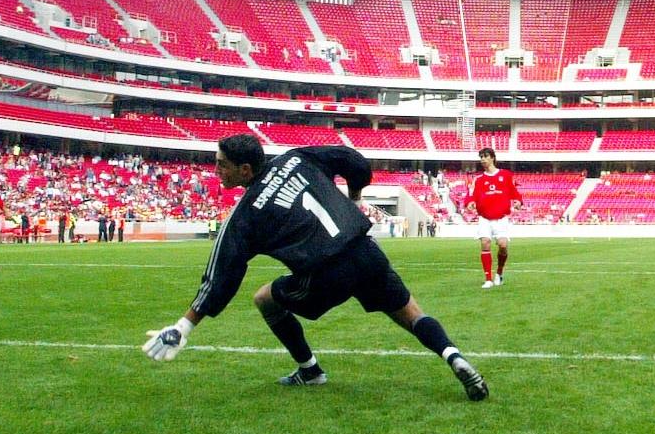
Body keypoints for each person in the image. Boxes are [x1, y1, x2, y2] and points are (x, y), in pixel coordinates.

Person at [142, 135, 488, 400]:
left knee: (265, 298)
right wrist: (354, 196)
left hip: (326, 274)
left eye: (222, 164)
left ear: (245, 170)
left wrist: (183, 326)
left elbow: (222, 275)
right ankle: (452, 354)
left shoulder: (245, 215)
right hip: (365, 251)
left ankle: (309, 370)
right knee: (411, 313)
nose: (215, 170)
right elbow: (353, 159)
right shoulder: (297, 158)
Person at [467, 147, 522, 288]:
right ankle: (488, 279)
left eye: (485, 156)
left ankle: (499, 273)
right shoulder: (478, 180)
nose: (483, 159)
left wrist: (517, 201)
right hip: (485, 217)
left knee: (503, 246)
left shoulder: (506, 175)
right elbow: (471, 195)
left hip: (501, 218)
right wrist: (470, 203)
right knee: (485, 242)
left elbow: (514, 192)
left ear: (492, 158)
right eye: (481, 157)